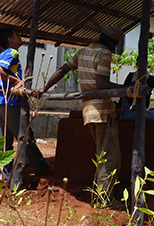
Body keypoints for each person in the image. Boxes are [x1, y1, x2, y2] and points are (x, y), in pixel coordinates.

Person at [35, 25, 125, 202]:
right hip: (102, 111)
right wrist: (125, 89)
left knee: (102, 155)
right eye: (115, 45)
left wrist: (44, 88)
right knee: (109, 158)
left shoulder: (82, 52)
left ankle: (101, 193)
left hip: (88, 112)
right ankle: (104, 200)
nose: (114, 49)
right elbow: (101, 83)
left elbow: (62, 70)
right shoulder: (104, 54)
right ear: (110, 42)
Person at [0, 27, 48, 190]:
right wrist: (16, 82)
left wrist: (2, 86)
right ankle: (40, 166)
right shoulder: (12, 53)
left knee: (3, 144)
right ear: (11, 40)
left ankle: (6, 177)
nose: (20, 37)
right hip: (11, 104)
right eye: (17, 35)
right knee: (24, 137)